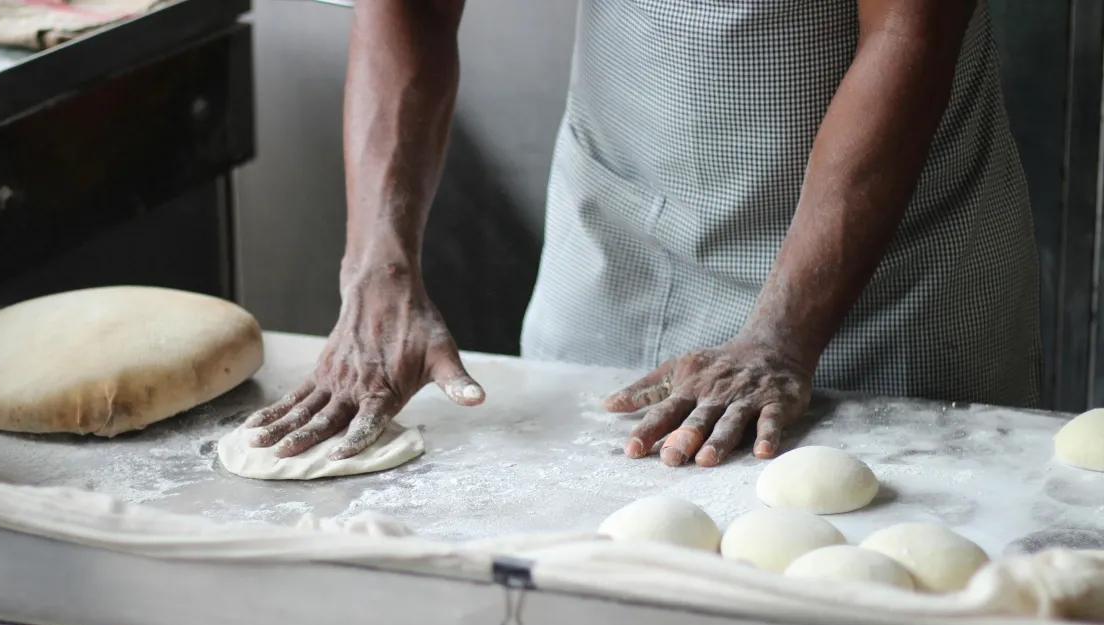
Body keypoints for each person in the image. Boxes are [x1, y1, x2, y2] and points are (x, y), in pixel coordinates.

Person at [243, 0, 1039, 469]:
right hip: (619, 238)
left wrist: (782, 335)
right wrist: (377, 271)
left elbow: (911, 27)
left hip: (887, 279)